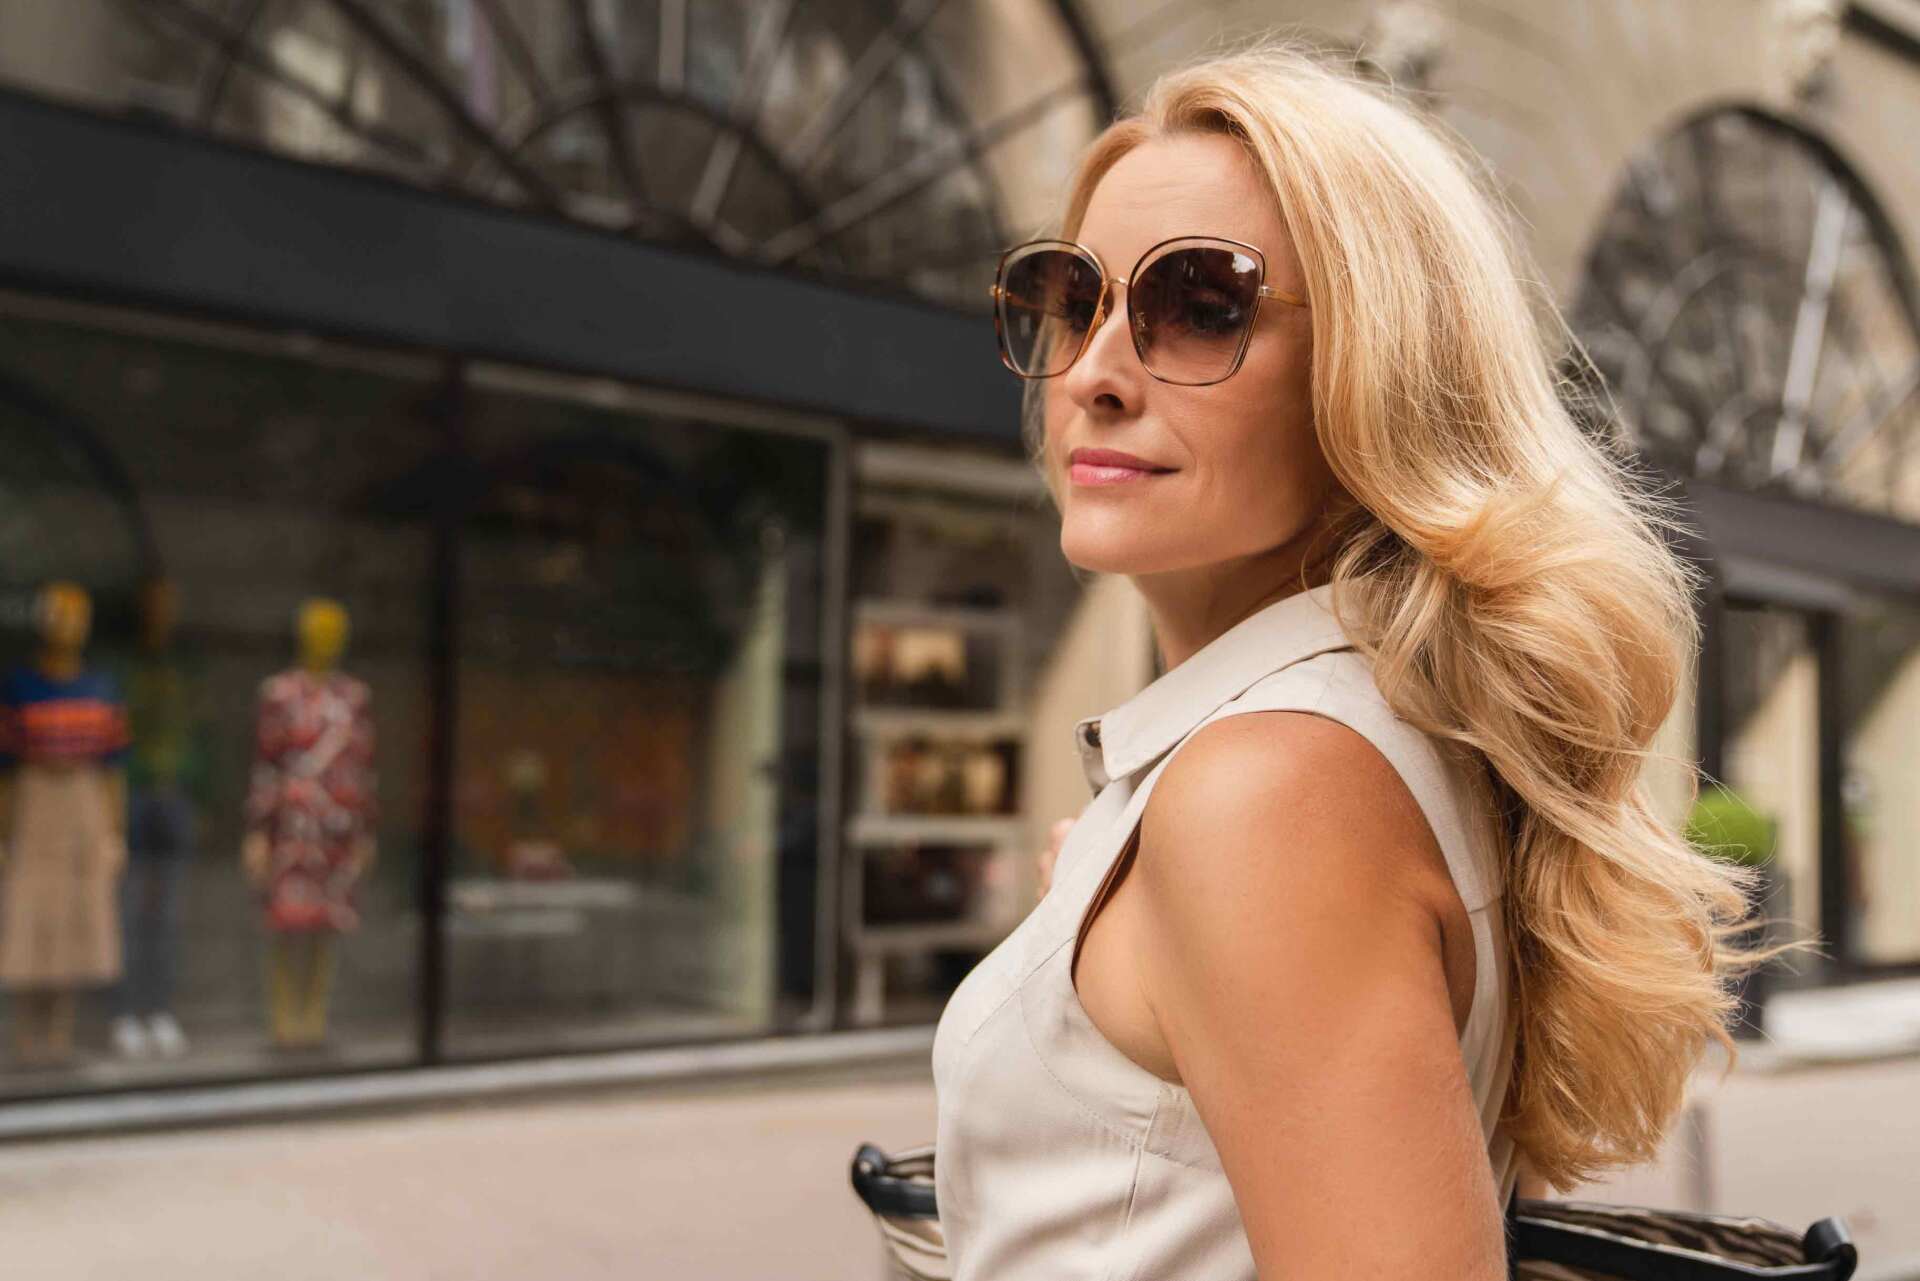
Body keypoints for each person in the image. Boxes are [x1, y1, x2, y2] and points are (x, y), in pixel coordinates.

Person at [930, 42, 1763, 1280]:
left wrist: (1214, 852)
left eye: (1200, 304)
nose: (1096, 374)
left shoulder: (1270, 795)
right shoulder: (1314, 760)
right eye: (1075, 297)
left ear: (1380, 366)